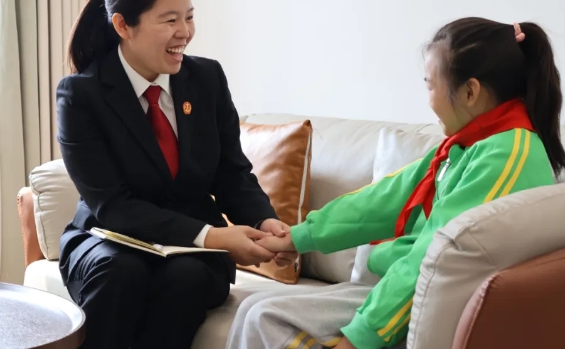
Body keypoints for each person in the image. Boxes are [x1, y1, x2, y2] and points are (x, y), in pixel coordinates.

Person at [228, 18, 565, 349]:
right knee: (253, 310)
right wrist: (298, 238)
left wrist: (359, 338)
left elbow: (437, 259)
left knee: (265, 319)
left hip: (434, 312)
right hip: (409, 296)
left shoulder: (506, 156)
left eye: (430, 86)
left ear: (469, 92)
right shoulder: (466, 146)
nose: (428, 99)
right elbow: (383, 200)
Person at [56, 0, 297, 349]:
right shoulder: (81, 95)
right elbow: (113, 206)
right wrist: (214, 236)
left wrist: (265, 221)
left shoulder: (207, 79)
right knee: (121, 272)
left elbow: (231, 174)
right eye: (169, 20)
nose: (184, 32)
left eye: (189, 17)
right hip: (109, 237)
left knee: (185, 279)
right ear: (123, 26)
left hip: (192, 251)